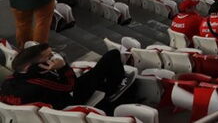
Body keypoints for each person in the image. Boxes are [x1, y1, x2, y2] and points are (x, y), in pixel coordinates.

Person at [0, 43, 133, 110]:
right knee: (113, 54)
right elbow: (71, 86)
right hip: (70, 100)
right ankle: (113, 89)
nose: (52, 58)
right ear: (30, 66)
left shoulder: (8, 82)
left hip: (51, 101)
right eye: (49, 56)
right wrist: (63, 67)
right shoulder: (41, 83)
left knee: (92, 74)